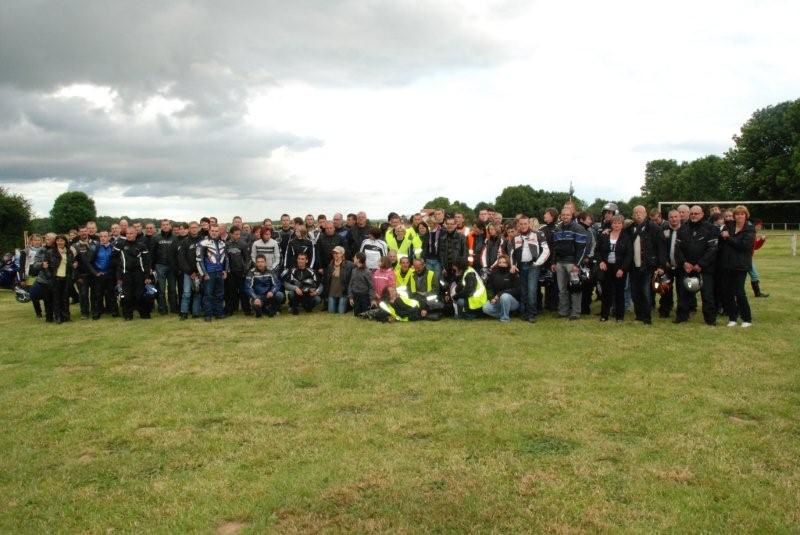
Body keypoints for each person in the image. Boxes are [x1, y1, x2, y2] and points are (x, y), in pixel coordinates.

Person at [674, 205, 718, 325]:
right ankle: (682, 316)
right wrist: (684, 262)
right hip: (687, 269)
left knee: (707, 295)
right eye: (692, 214)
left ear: (702, 214)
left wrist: (701, 264)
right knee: (684, 293)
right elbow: (678, 249)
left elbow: (713, 249)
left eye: (696, 214)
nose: (693, 216)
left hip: (704, 269)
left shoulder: (711, 229)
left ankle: (710, 320)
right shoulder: (682, 229)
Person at [719, 205, 755, 327]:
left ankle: (747, 318)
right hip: (727, 264)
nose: (739, 216)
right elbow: (721, 239)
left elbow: (743, 246)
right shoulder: (729, 226)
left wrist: (728, 238)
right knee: (727, 292)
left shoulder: (750, 229)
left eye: (742, 214)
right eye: (737, 214)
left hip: (741, 265)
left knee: (739, 292)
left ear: (746, 215)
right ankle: (732, 317)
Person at [509, 216, 549, 322]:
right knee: (523, 290)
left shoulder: (538, 234)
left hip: (533, 266)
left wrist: (537, 263)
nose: (523, 226)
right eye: (521, 224)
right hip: (521, 267)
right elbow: (512, 253)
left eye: (525, 224)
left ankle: (532, 314)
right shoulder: (515, 237)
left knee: (532, 290)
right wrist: (513, 265)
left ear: (529, 224)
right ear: (518, 225)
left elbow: (546, 250)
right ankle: (524, 312)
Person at [626, 205, 662, 325]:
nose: (638, 215)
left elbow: (660, 248)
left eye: (640, 212)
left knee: (645, 292)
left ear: (646, 214)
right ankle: (639, 315)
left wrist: (660, 265)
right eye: (635, 212)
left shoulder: (654, 228)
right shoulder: (629, 228)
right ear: (632, 215)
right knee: (635, 292)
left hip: (647, 266)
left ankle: (647, 318)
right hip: (633, 266)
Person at [552, 207, 588, 320]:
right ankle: (563, 311)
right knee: (562, 289)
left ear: (572, 215)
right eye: (563, 215)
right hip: (560, 263)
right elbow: (554, 248)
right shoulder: (557, 229)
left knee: (575, 288)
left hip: (572, 263)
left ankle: (575, 312)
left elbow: (582, 249)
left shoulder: (578, 228)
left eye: (567, 215)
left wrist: (577, 265)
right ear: (561, 216)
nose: (565, 217)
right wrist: (554, 262)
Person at [597, 215, 632, 322]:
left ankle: (619, 316)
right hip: (606, 267)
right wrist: (601, 261)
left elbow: (629, 255)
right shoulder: (604, 235)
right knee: (606, 292)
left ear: (622, 225)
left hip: (620, 268)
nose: (616, 225)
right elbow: (597, 250)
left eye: (619, 223)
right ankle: (604, 315)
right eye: (614, 223)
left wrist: (622, 269)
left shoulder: (626, 237)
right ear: (611, 224)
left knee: (619, 292)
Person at [114, 227, 153, 321]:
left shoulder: (141, 246)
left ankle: (144, 313)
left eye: (131, 233)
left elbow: (147, 262)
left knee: (139, 295)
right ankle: (128, 315)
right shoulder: (120, 245)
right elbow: (115, 259)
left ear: (135, 234)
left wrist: (147, 276)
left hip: (139, 274)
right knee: (127, 296)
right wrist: (119, 275)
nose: (129, 235)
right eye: (127, 233)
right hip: (125, 274)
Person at [196, 224, 228, 322]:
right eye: (212, 230)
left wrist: (225, 270)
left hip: (219, 272)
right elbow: (199, 260)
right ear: (209, 231)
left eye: (216, 231)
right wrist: (203, 273)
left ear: (219, 232)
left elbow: (226, 258)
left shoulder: (223, 243)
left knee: (220, 294)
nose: (214, 232)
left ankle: (219, 313)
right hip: (209, 273)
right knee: (208, 294)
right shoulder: (202, 243)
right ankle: (208, 315)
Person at [85, 230, 118, 319]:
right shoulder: (95, 248)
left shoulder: (113, 247)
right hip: (99, 275)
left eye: (105, 236)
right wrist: (95, 273)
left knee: (111, 294)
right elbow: (89, 263)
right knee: (98, 295)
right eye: (101, 236)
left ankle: (114, 311)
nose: (103, 238)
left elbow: (116, 261)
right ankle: (97, 312)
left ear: (109, 237)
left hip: (110, 274)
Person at [46, 234, 75, 324]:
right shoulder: (50, 252)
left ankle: (66, 316)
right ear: (55, 242)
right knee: (56, 299)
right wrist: (49, 276)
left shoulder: (69, 252)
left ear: (65, 242)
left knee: (65, 298)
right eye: (58, 240)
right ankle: (58, 317)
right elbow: (46, 266)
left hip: (66, 278)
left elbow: (71, 264)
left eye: (62, 240)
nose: (60, 242)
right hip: (55, 278)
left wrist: (74, 266)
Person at [482, 254, 521, 322]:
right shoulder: (493, 273)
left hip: (512, 301)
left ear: (508, 263)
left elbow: (517, 290)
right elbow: (489, 288)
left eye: (504, 262)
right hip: (497, 300)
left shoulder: (513, 272)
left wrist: (499, 294)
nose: (502, 264)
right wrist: (491, 298)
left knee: (504, 296)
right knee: (485, 308)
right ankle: (505, 313)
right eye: (500, 262)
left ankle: (505, 318)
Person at [657, 209, 681, 318]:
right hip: (666, 266)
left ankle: (682, 312)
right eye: (671, 217)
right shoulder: (663, 230)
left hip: (681, 266)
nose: (673, 219)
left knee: (682, 290)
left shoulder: (685, 230)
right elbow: (660, 248)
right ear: (668, 218)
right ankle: (665, 310)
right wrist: (663, 262)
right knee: (665, 288)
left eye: (675, 217)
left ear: (679, 217)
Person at [178, 222, 203, 319]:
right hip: (188, 273)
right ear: (189, 229)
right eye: (192, 228)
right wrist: (190, 272)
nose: (194, 229)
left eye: (195, 227)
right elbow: (181, 259)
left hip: (200, 272)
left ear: (199, 228)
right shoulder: (184, 242)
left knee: (197, 292)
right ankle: (184, 312)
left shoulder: (203, 241)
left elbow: (205, 257)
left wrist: (201, 271)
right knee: (187, 293)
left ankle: (195, 313)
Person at [152, 219, 177, 315]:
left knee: (172, 289)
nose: (165, 226)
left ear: (170, 226)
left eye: (167, 225)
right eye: (163, 225)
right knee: (161, 290)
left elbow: (177, 254)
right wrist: (152, 267)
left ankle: (174, 308)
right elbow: (152, 253)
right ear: (161, 226)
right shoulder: (156, 238)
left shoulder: (175, 238)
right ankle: (162, 309)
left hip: (172, 266)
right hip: (160, 266)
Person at [225, 226, 251, 316]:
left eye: (239, 234)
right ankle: (230, 310)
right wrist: (227, 270)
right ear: (231, 234)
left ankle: (247, 310)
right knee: (231, 292)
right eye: (236, 234)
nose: (238, 236)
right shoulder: (226, 245)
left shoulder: (243, 244)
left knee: (243, 292)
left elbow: (247, 259)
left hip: (241, 272)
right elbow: (226, 259)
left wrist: (245, 271)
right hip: (231, 272)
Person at [324, 246, 353, 313]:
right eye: (334, 253)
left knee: (341, 312)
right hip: (332, 292)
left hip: (343, 293)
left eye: (337, 253)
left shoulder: (349, 265)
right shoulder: (330, 265)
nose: (335, 255)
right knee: (331, 312)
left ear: (342, 254)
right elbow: (327, 280)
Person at [749, 219, 769, 298]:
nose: (760, 228)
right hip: (746, 258)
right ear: (755, 225)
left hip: (749, 258)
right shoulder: (750, 234)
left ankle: (757, 294)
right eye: (759, 226)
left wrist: (761, 240)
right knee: (754, 275)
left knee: (754, 275)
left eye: (760, 226)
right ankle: (757, 294)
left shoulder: (753, 234)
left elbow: (755, 247)